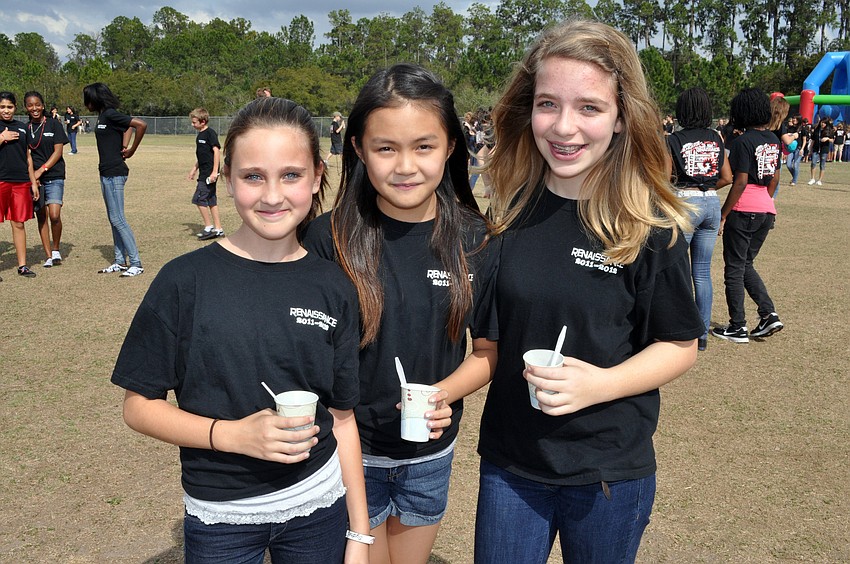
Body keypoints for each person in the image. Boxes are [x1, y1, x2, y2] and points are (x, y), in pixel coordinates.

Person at [473, 20, 703, 563]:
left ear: (623, 117)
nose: (564, 127)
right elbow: (485, 337)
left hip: (609, 473)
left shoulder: (649, 223)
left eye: (590, 108)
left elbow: (679, 345)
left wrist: (600, 384)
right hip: (511, 464)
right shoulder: (507, 211)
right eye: (548, 104)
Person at [111, 96, 370, 564]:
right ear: (227, 179)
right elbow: (138, 408)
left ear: (316, 178)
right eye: (254, 177)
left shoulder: (335, 286)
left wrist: (360, 534)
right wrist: (230, 436)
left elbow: (344, 420)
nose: (273, 195)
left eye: (290, 175)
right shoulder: (183, 281)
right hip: (222, 518)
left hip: (320, 508)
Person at [302, 63, 499, 564]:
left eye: (424, 146)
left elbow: (487, 351)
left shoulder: (477, 239)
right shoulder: (326, 239)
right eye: (386, 148)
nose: (405, 165)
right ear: (358, 150)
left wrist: (443, 395)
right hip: (346, 453)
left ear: (452, 146)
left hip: (427, 456)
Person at [711, 88, 784, 344]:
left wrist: (723, 214)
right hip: (765, 206)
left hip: (744, 210)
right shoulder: (774, 140)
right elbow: (774, 177)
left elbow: (739, 182)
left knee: (733, 268)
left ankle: (737, 326)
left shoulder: (742, 142)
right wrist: (767, 203)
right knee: (746, 265)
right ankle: (768, 313)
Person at [667, 87, 733, 352]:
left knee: (678, 270)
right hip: (711, 204)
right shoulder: (716, 138)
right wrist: (705, 190)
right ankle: (702, 335)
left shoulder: (673, 139)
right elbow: (727, 176)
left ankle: (681, 330)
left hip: (685, 202)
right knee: (702, 273)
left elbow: (664, 176)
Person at [83, 82, 146, 277]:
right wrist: (124, 143)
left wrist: (131, 150)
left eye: (87, 99)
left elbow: (140, 125)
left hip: (115, 172)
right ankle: (120, 261)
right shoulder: (104, 116)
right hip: (105, 172)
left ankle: (136, 263)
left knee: (118, 218)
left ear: (95, 98)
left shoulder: (109, 113)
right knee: (113, 219)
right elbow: (126, 126)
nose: (86, 104)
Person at [25, 91, 68, 267]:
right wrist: (32, 178)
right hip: (36, 180)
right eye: (30, 105)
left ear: (43, 105)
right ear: (26, 108)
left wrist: (41, 170)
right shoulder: (25, 128)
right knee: (41, 216)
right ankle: (49, 255)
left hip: (54, 174)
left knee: (55, 215)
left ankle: (56, 248)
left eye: (37, 104)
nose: (34, 108)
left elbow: (58, 152)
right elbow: (26, 154)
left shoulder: (54, 124)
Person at [0, 91, 39, 278]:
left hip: (21, 182)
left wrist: (33, 183)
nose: (6, 111)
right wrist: (2, 138)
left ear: (15, 107)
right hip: (1, 181)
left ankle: (22, 266)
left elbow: (28, 157)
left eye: (9, 107)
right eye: (2, 107)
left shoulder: (23, 127)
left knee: (19, 223)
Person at [186, 107, 223, 240]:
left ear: (202, 122)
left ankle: (208, 227)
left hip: (209, 174)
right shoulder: (200, 135)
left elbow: (216, 151)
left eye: (194, 122)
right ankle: (218, 229)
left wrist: (214, 172)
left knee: (199, 199)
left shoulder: (210, 133)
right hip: (203, 172)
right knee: (211, 200)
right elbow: (202, 155)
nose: (192, 124)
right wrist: (194, 169)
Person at [808, 116, 833, 185]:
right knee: (813, 163)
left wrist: (827, 138)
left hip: (824, 149)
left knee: (822, 165)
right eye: (822, 122)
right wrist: (810, 148)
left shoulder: (829, 130)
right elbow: (813, 140)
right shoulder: (817, 130)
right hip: (816, 148)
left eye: (824, 123)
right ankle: (812, 178)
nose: (823, 124)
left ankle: (819, 180)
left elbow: (832, 140)